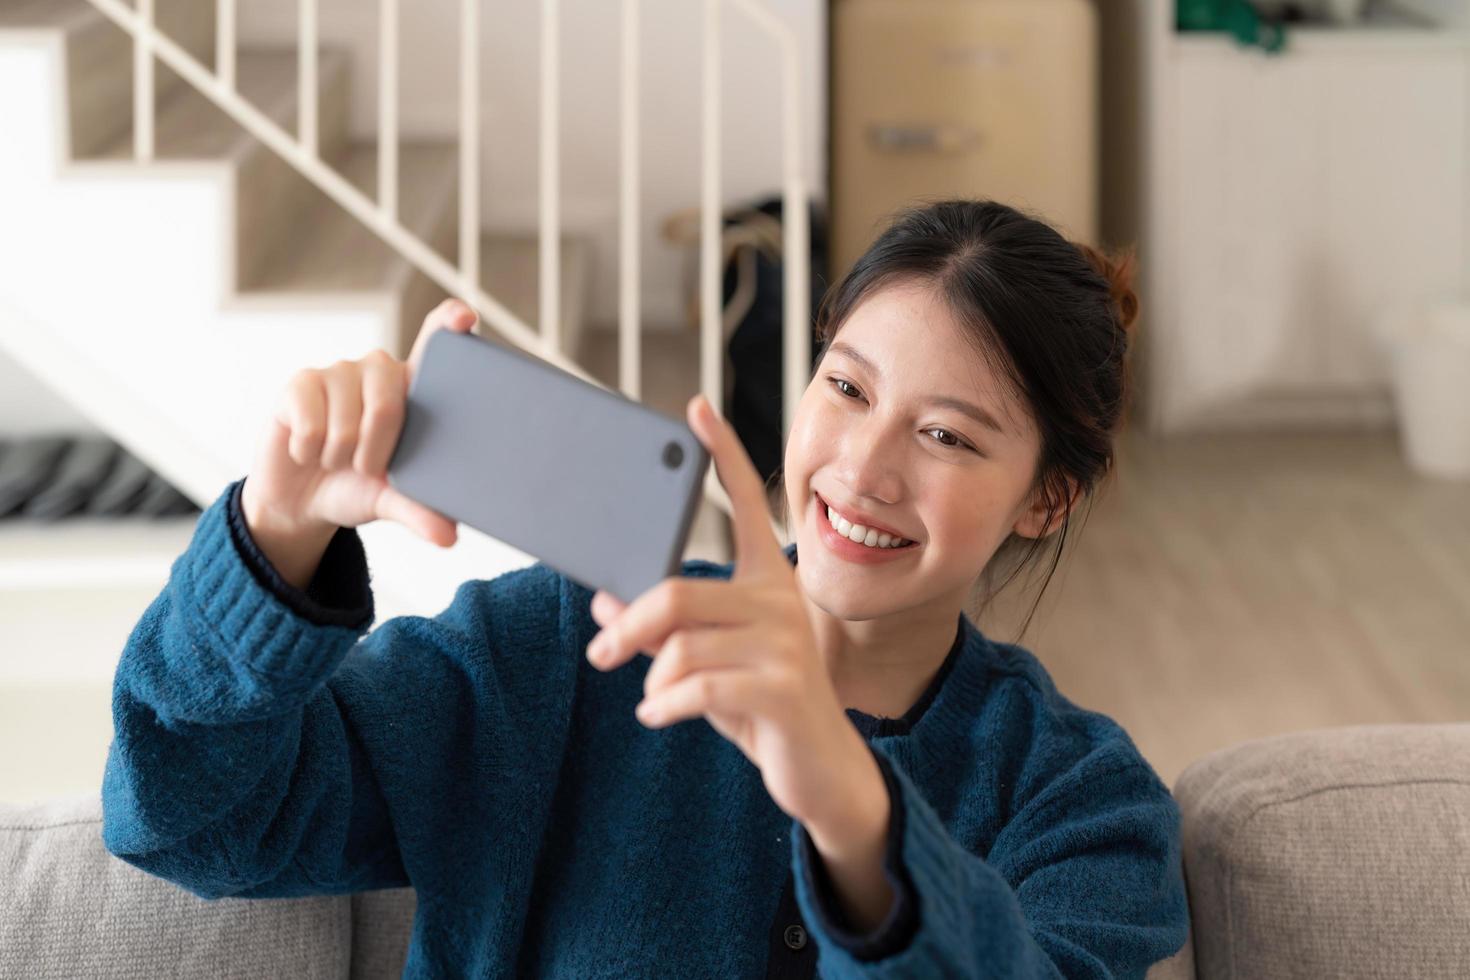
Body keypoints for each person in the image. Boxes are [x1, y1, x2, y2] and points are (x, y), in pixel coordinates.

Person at [100, 199, 1187, 978]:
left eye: (947, 433)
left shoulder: (1086, 804)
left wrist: (850, 808)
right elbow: (187, 819)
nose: (862, 466)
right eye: (846, 386)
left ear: (1045, 499)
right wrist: (278, 532)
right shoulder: (561, 648)